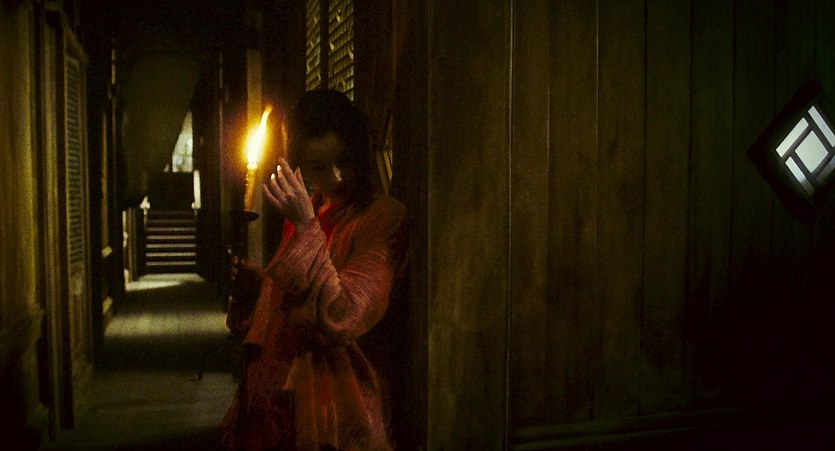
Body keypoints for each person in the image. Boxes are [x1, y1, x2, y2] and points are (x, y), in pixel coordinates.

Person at [221, 88, 408, 451]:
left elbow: (346, 313)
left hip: (337, 401)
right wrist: (260, 285)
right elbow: (294, 298)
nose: (336, 178)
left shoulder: (383, 217)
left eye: (345, 161)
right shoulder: (311, 208)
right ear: (301, 168)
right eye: (319, 168)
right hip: (280, 396)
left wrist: (307, 227)